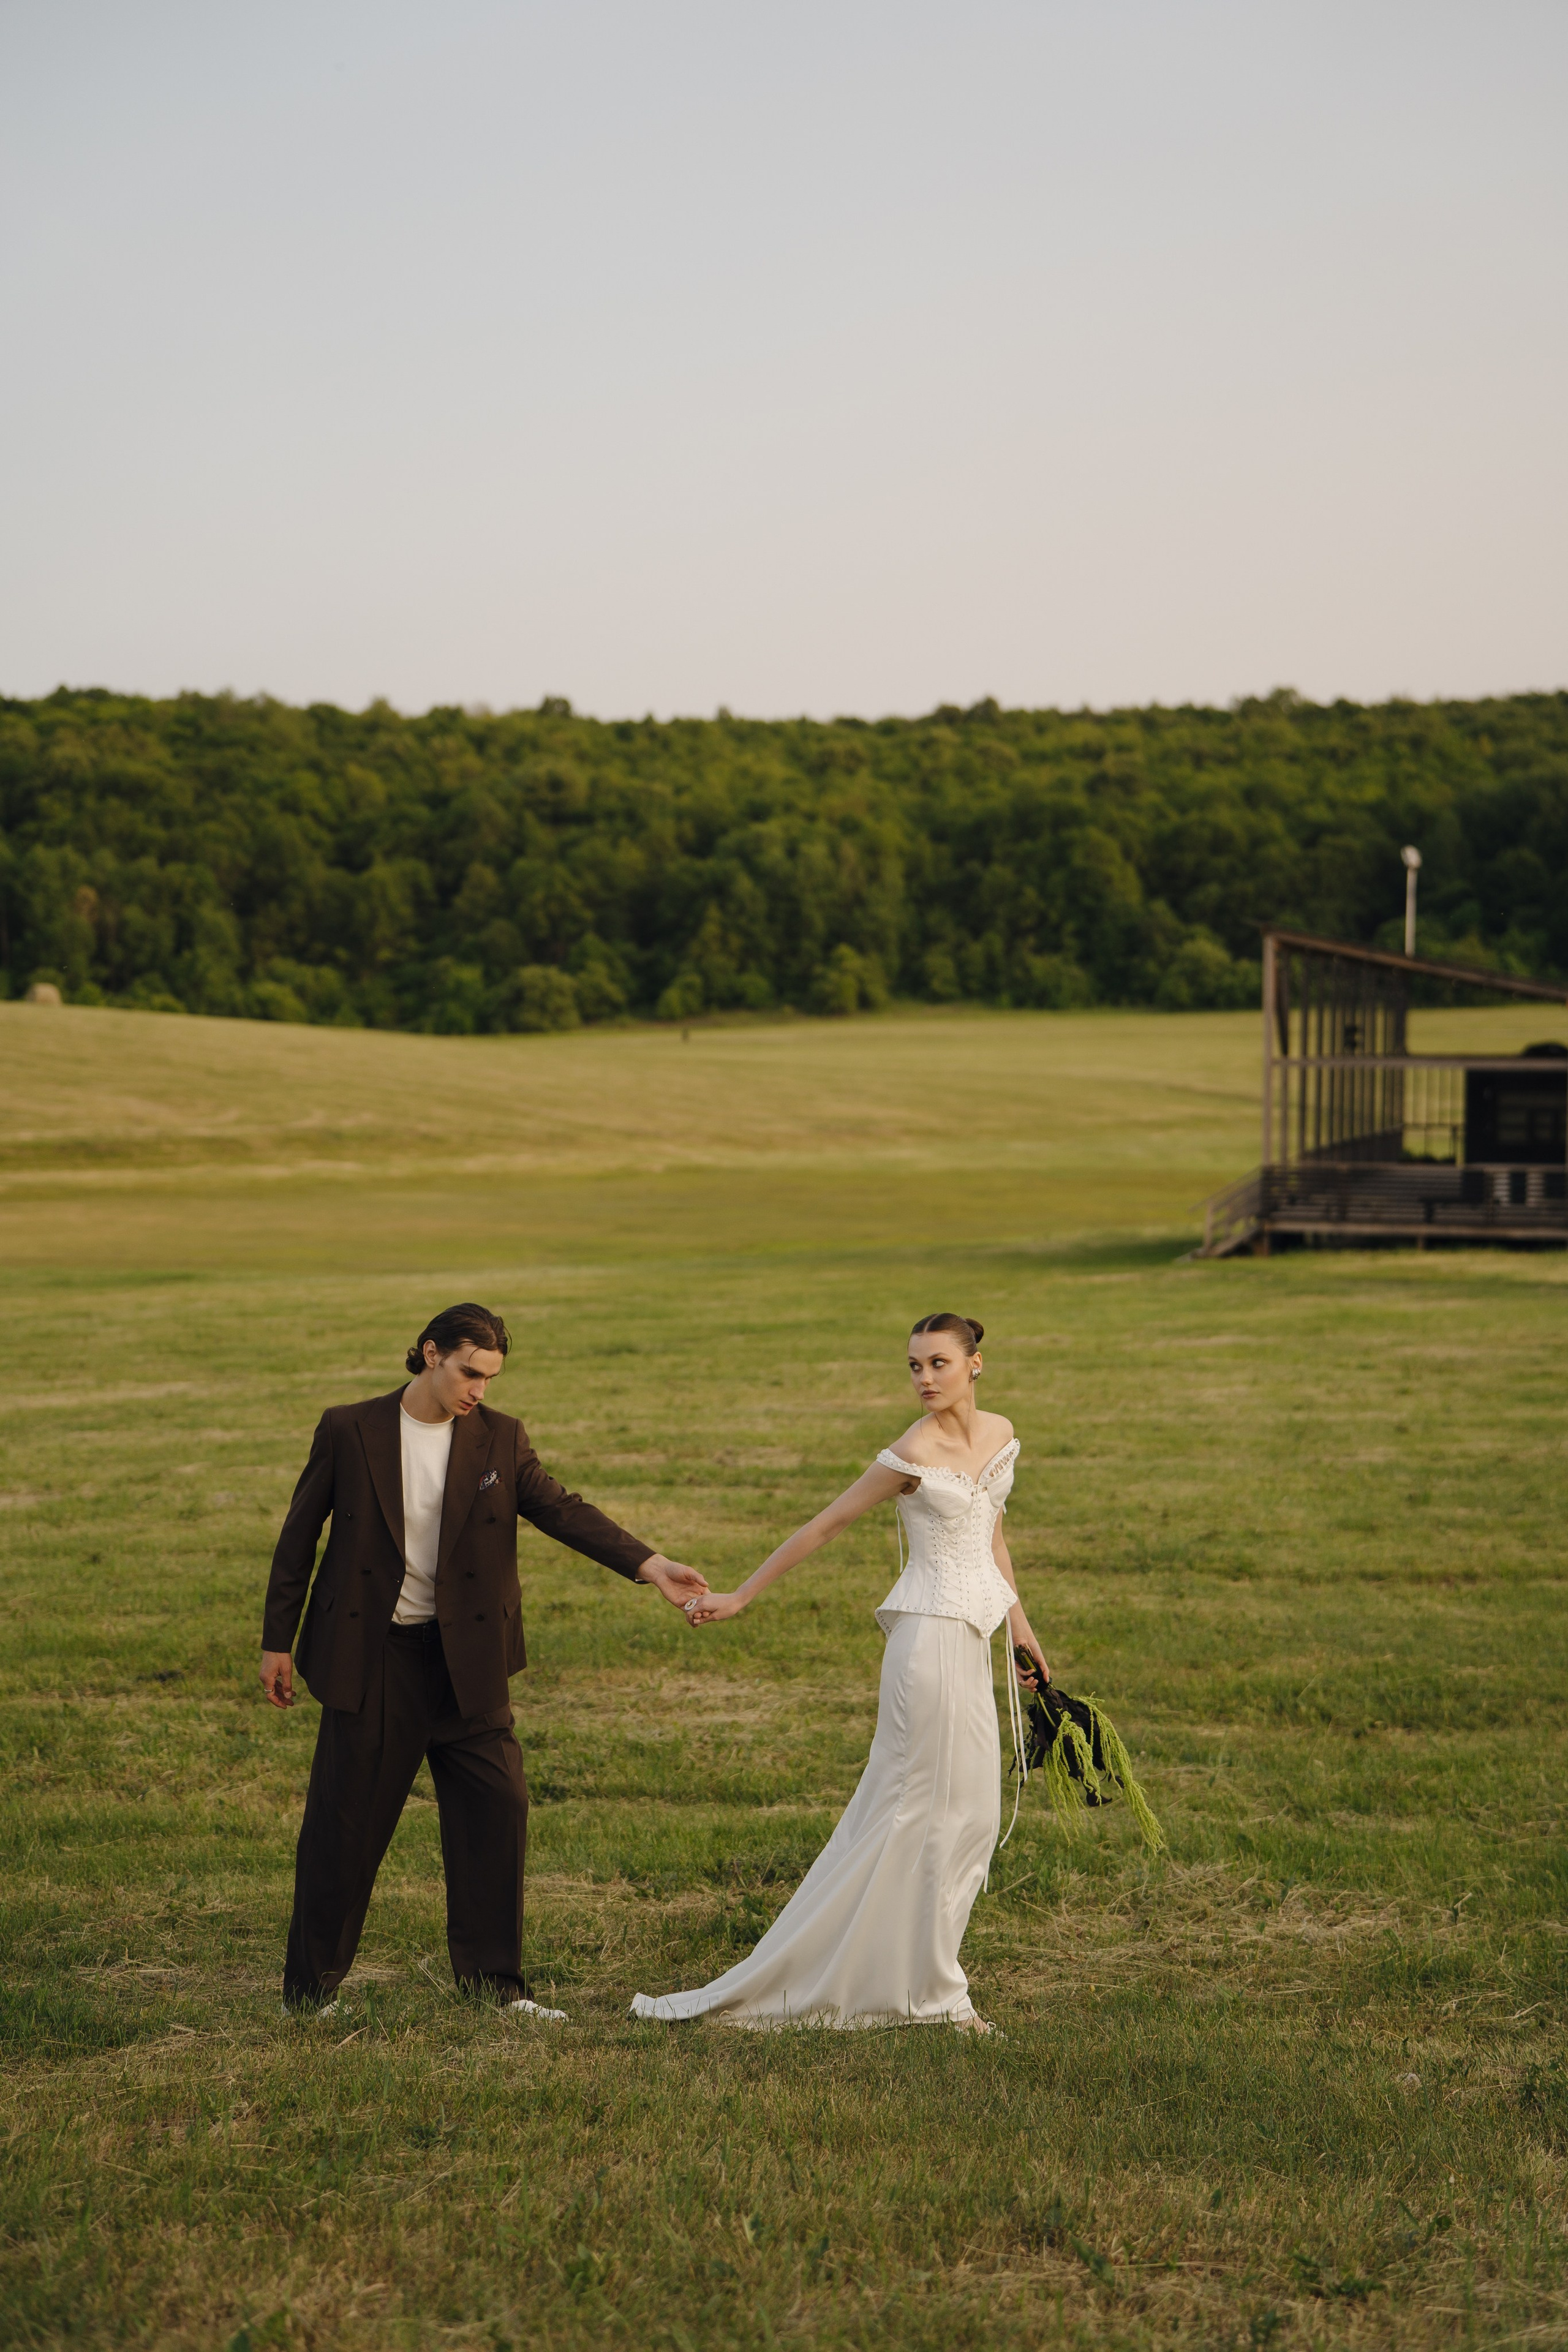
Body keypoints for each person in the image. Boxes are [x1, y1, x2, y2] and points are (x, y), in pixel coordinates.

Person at [260, 1302, 707, 2018]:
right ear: (430, 1352)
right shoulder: (351, 1428)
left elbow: (561, 1508)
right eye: (469, 1374)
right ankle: (309, 1994)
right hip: (375, 1661)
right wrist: (276, 1641)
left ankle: (494, 1988)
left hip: (466, 1663)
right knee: (344, 1829)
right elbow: (299, 1535)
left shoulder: (499, 1438)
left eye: (490, 1378)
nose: (478, 1390)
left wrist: (649, 1564)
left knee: (498, 1810)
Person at [633, 1313, 1047, 2033]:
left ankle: (926, 1978)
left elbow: (992, 1540)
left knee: (972, 1816)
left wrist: (1023, 1633)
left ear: (974, 1365)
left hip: (975, 1635)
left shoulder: (1000, 1434)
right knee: (913, 1812)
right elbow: (822, 1526)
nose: (923, 1378)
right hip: (924, 1645)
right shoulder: (910, 1452)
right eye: (913, 1366)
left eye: (938, 1364)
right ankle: (933, 1996)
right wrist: (740, 1596)